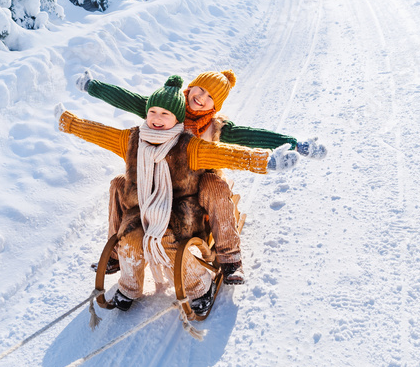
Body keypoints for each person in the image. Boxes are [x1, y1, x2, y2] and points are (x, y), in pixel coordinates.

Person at [56, 75, 299, 314]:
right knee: (121, 195)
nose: (201, 98)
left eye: (209, 96)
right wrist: (81, 101)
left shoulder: (199, 138)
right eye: (153, 112)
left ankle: (225, 261)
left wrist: (274, 157)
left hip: (189, 195)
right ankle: (124, 269)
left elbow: (233, 150)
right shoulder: (147, 125)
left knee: (212, 186)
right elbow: (107, 119)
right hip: (149, 197)